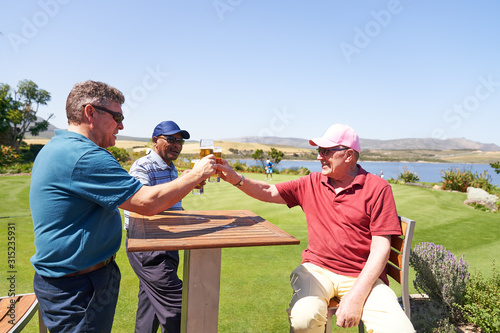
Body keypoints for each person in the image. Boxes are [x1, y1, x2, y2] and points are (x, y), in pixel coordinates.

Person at [29, 80, 216, 332]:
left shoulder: (58, 147)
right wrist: (196, 173)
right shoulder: (86, 156)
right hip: (77, 287)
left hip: (77, 279)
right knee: (181, 310)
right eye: (117, 116)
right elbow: (147, 203)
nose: (122, 125)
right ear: (90, 112)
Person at [217, 124, 415, 333]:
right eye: (319, 151)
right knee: (305, 319)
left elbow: (381, 249)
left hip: (364, 276)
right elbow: (269, 190)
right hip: (317, 270)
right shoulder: (311, 182)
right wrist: (234, 178)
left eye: (326, 151)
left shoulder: (377, 188)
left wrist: (356, 296)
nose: (319, 157)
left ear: (348, 155)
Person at [124, 120, 191, 333]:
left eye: (180, 141)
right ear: (155, 141)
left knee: (149, 306)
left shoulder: (170, 168)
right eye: (171, 139)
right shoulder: (143, 166)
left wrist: (187, 184)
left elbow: (169, 202)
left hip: (168, 242)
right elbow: (142, 205)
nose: (177, 145)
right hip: (148, 246)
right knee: (179, 308)